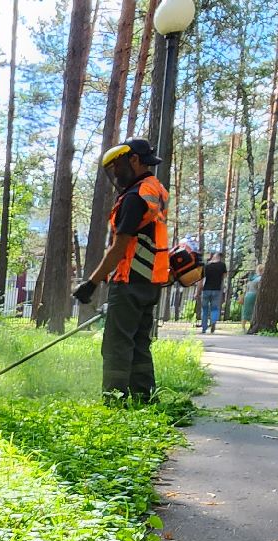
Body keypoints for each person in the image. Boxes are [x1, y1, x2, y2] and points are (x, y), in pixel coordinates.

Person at [74, 138, 170, 402]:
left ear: (135, 160)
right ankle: (144, 397)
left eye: (118, 165)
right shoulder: (155, 190)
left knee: (116, 344)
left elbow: (119, 248)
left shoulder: (134, 197)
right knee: (139, 343)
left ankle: (113, 399)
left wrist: (91, 283)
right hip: (150, 280)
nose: (115, 173)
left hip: (130, 281)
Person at [199, 253, 227, 333]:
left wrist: (198, 291)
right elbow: (224, 276)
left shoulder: (206, 266)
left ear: (213, 257)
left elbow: (201, 279)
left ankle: (204, 327)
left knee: (205, 309)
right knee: (215, 308)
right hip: (217, 289)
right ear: (220, 258)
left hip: (206, 289)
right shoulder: (222, 265)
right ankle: (213, 322)